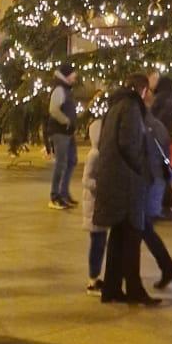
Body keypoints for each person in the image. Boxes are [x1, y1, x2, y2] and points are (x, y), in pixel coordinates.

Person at [91, 72, 156, 304]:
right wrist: (142, 170)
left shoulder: (116, 105)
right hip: (126, 182)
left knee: (119, 235)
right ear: (143, 90)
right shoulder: (130, 107)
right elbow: (129, 144)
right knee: (131, 237)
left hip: (114, 178)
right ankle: (134, 290)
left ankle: (111, 288)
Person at [141, 99, 172, 288]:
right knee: (144, 228)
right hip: (157, 182)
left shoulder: (146, 127)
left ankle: (168, 268)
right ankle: (167, 268)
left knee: (142, 227)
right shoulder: (157, 125)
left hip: (150, 183)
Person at [47, 62, 79, 209]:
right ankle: (55, 196)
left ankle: (64, 193)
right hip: (60, 132)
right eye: (73, 74)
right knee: (61, 163)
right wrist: (66, 121)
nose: (75, 77)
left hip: (68, 132)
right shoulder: (59, 89)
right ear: (67, 75)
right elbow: (54, 110)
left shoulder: (66, 89)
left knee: (71, 160)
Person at [80, 116, 107, 292]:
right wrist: (101, 186)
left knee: (100, 242)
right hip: (93, 207)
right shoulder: (95, 154)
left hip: (99, 206)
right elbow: (86, 180)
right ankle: (92, 278)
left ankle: (96, 276)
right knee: (97, 244)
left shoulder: (101, 153)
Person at [149, 71, 172, 218]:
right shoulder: (171, 99)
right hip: (166, 138)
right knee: (164, 168)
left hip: (158, 139)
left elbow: (154, 119)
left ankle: (166, 202)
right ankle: (169, 201)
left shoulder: (161, 99)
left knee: (160, 170)